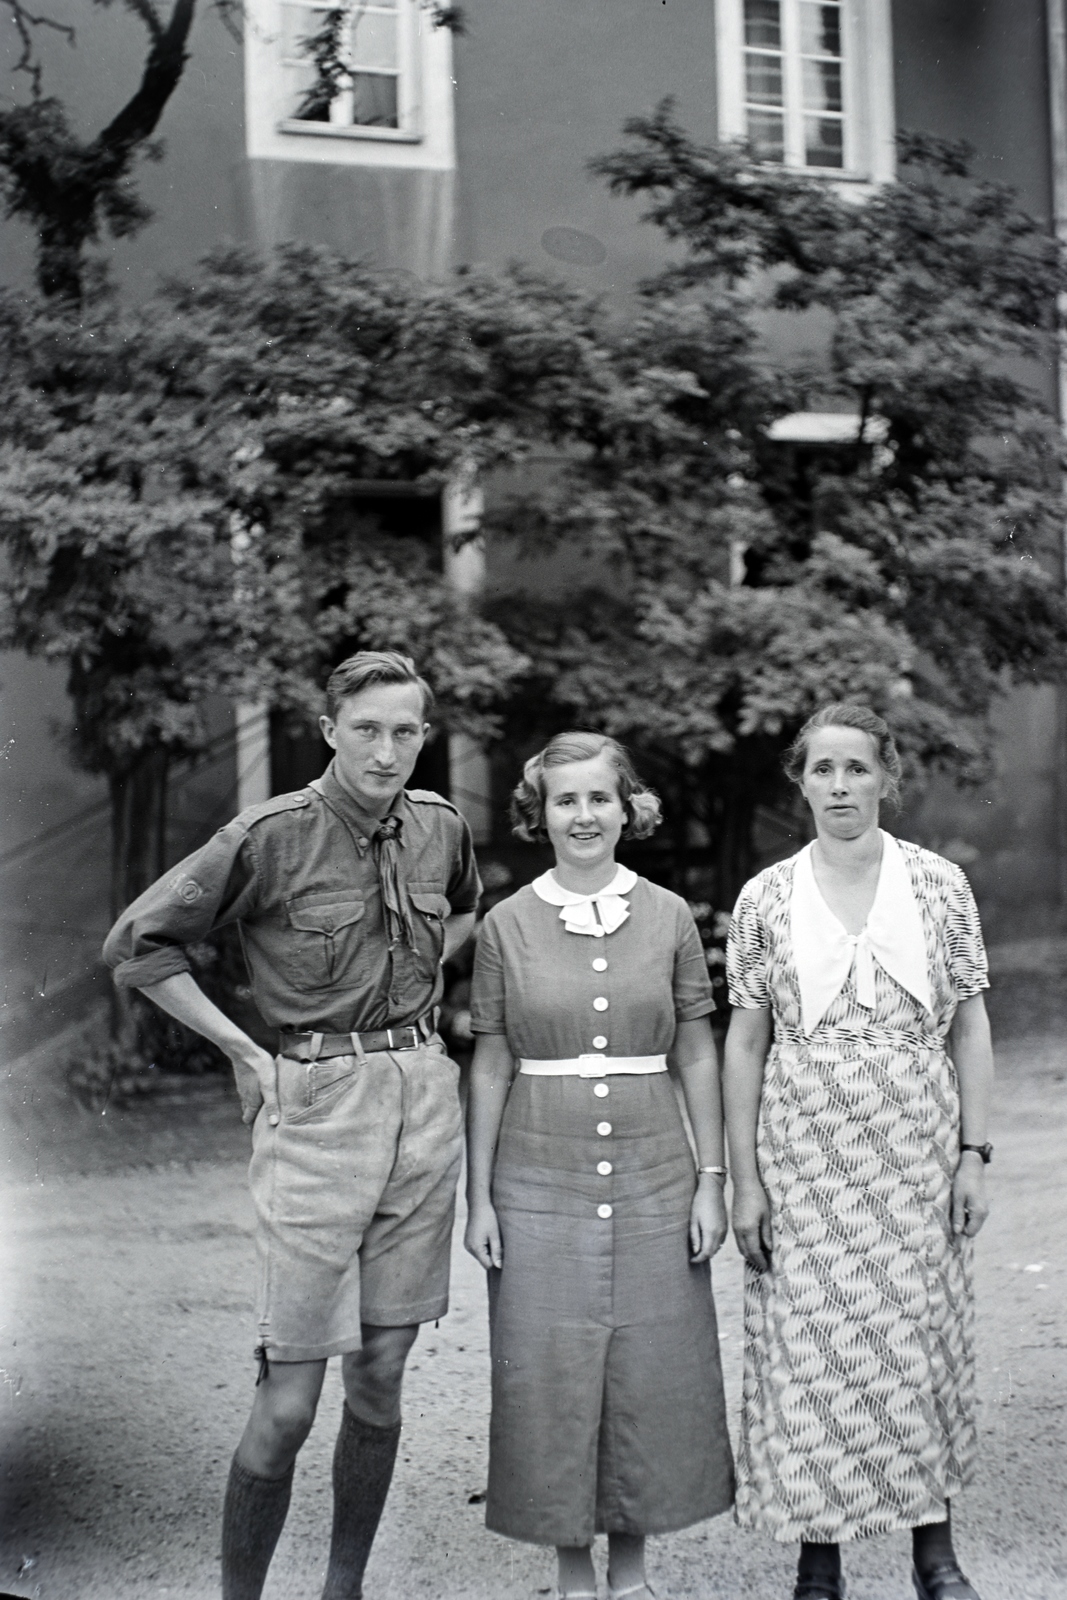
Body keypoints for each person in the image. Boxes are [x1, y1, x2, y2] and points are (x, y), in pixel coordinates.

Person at [102, 651, 481, 1600]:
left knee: (384, 1370)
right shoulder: (271, 835)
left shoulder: (440, 827)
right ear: (328, 732)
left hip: (425, 1103)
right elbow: (139, 948)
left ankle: (340, 1590)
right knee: (289, 1397)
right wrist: (244, 1051)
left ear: (423, 737)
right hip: (314, 1103)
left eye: (404, 731)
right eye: (366, 729)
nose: (386, 750)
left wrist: (420, 1013)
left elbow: (467, 914)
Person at [723, 704, 994, 1600]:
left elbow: (972, 1024)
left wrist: (972, 1154)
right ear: (799, 780)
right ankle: (818, 1559)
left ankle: (933, 1551)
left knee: (915, 1339)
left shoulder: (938, 884)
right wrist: (744, 1183)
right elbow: (743, 1042)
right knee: (810, 1347)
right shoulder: (765, 895)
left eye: (857, 769)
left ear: (886, 777)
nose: (840, 787)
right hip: (801, 1152)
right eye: (823, 770)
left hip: (913, 1149)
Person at [465, 731, 735, 1600]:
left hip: (657, 1169)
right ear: (538, 815)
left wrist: (710, 1178)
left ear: (628, 809)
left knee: (650, 1365)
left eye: (597, 799)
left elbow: (697, 1051)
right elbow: (492, 1062)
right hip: (537, 1177)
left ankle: (632, 1574)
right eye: (563, 800)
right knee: (548, 1367)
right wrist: (480, 1200)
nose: (582, 815)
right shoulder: (506, 921)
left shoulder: (666, 916)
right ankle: (573, 1574)